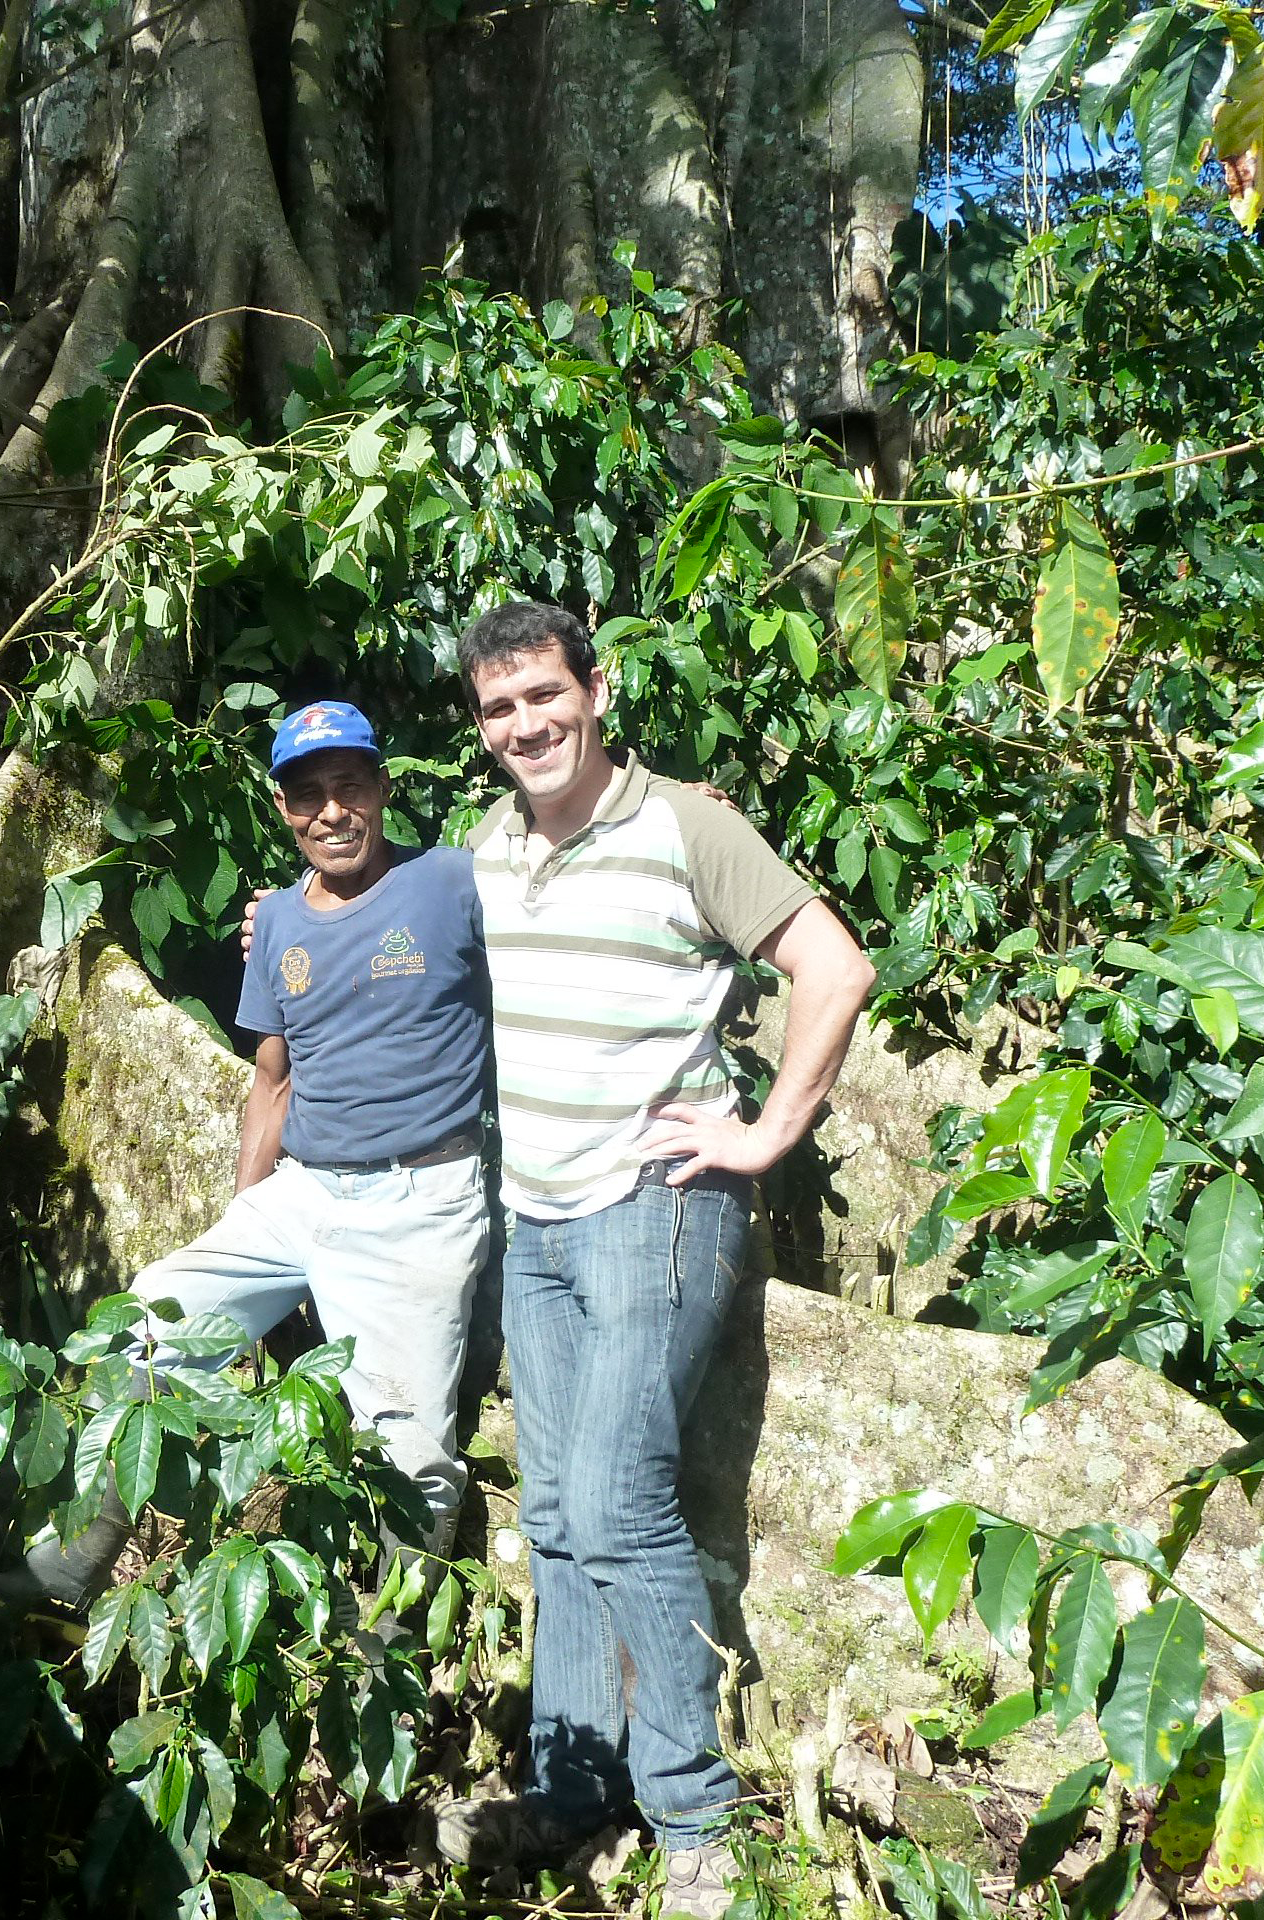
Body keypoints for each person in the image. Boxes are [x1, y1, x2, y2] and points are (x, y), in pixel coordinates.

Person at [431, 602, 877, 1920]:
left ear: (598, 688)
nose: (525, 726)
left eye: (544, 696)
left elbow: (834, 968)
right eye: (499, 709)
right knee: (557, 1516)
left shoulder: (687, 826)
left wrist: (767, 1131)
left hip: (655, 1205)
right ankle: (572, 1795)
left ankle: (697, 1824)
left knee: (618, 1498)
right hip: (536, 1219)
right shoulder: (489, 847)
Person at [11, 700, 493, 1605]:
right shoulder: (274, 923)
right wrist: (252, 1227)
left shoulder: (452, 881)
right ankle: (72, 1567)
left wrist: (666, 809)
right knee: (141, 1333)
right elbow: (272, 1082)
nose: (332, 812)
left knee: (414, 1455)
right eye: (309, 795)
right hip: (300, 1194)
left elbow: (563, 865)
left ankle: (386, 1646)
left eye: (349, 786)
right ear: (283, 808)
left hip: (418, 1200)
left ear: (383, 788)